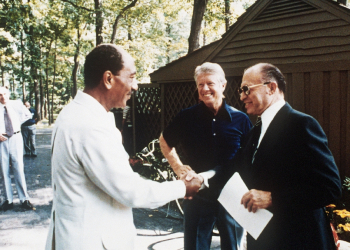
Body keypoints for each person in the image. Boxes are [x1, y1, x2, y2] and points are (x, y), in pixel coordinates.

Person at [45, 44, 202, 250]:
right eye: (132, 77)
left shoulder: (72, 113)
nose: (135, 86)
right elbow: (130, 191)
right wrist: (182, 187)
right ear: (108, 79)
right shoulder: (91, 124)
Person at [219, 63, 342, 249]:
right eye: (241, 90)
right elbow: (234, 170)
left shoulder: (302, 125)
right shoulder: (254, 133)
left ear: (271, 87)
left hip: (299, 240)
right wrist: (198, 179)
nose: (242, 96)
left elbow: (330, 188)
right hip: (263, 240)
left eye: (246, 89)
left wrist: (273, 198)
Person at [159, 62, 252, 250]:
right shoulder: (186, 117)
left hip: (232, 195)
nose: (205, 89)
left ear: (223, 85)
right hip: (198, 195)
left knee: (233, 246)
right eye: (200, 84)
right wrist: (178, 167)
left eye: (210, 83)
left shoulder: (241, 119)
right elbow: (164, 140)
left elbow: (249, 157)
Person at [0, 87, 35, 211]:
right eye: (0, 95)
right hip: (2, 140)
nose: (3, 97)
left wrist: (16, 125)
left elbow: (27, 114)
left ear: (8, 94)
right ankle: (8, 200)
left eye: (4, 94)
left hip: (15, 137)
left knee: (18, 167)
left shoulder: (16, 104)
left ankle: (24, 198)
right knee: (4, 170)